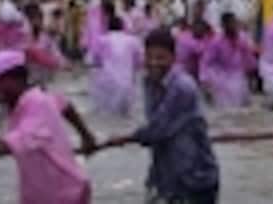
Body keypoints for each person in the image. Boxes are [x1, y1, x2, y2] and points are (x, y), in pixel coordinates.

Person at [0, 51, 96, 204]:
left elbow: (19, 140)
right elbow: (65, 105)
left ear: (18, 79)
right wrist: (86, 136)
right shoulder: (36, 97)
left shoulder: (36, 103)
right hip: (48, 190)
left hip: (60, 192)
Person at [103, 29, 220, 204]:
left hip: (195, 176)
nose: (154, 63)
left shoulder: (183, 87)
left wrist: (125, 138)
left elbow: (158, 129)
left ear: (173, 58)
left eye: (160, 58)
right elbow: (155, 126)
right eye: (149, 57)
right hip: (165, 172)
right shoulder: (149, 83)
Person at [200, 12, 257, 109]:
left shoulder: (242, 38)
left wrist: (252, 71)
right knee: (226, 110)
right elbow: (206, 62)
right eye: (231, 23)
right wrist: (205, 80)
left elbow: (248, 56)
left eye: (235, 22)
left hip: (240, 79)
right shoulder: (216, 41)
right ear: (224, 25)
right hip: (222, 81)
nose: (234, 25)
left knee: (242, 109)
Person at [91, 15, 144, 116]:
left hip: (106, 81)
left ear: (108, 27)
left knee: (107, 115)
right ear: (123, 27)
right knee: (125, 115)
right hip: (126, 82)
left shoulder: (101, 40)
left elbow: (96, 61)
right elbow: (140, 62)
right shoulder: (133, 40)